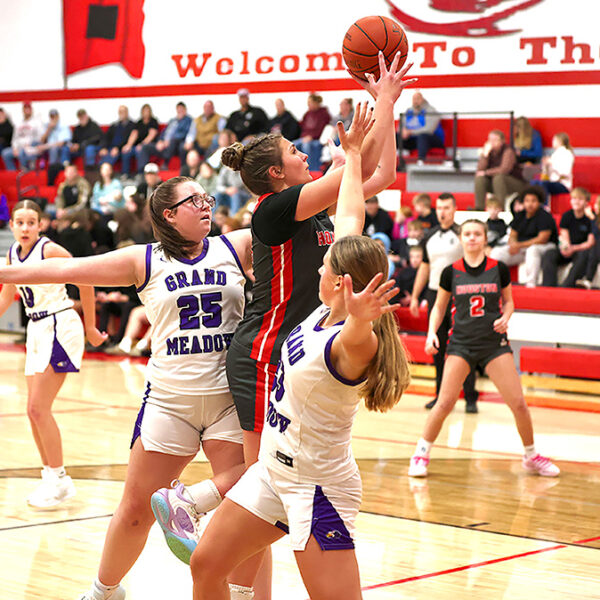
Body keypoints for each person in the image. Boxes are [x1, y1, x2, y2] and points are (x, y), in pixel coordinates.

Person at [150, 54, 416, 598]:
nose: (305, 153)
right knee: (236, 511)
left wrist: (385, 109)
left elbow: (379, 177)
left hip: (315, 405)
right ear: (276, 174)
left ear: (344, 284)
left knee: (279, 464)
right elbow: (358, 189)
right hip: (266, 348)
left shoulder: (341, 307)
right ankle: (203, 512)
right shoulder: (274, 210)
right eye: (296, 151)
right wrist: (377, 115)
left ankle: (200, 505)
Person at [0, 177, 253, 600]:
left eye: (207, 197)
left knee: (245, 507)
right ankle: (104, 591)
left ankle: (244, 596)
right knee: (136, 509)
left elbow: (306, 212)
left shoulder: (236, 244)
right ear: (169, 214)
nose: (207, 205)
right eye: (195, 200)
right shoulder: (144, 259)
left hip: (230, 399)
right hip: (171, 402)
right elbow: (66, 268)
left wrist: (352, 163)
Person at [408, 219, 560, 479]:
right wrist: (432, 332)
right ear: (461, 238)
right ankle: (421, 453)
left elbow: (509, 302)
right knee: (444, 403)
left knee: (519, 404)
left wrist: (506, 317)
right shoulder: (450, 271)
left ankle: (531, 455)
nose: (472, 238)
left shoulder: (498, 269)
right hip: (461, 344)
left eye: (477, 234)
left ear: (484, 238)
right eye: (467, 234)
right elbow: (439, 308)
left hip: (493, 345)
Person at [0, 200, 105, 507]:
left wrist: (91, 327)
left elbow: (84, 277)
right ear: (11, 226)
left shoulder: (50, 251)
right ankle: (53, 479)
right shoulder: (11, 255)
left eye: (31, 222)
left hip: (60, 323)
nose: (25, 228)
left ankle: (59, 478)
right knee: (32, 412)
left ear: (41, 225)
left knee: (37, 408)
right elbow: (8, 292)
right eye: (19, 223)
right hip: (36, 329)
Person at [410, 193, 479, 412]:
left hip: (460, 296)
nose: (442, 212)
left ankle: (470, 397)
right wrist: (414, 296)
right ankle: (440, 396)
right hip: (434, 295)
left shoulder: (463, 234)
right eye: (439, 208)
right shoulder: (429, 236)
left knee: (464, 346)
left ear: (455, 209)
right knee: (437, 347)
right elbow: (424, 267)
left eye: (447, 208)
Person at [490, 186, 558, 287]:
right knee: (496, 253)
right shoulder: (520, 215)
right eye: (527, 201)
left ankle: (531, 284)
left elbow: (542, 239)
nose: (530, 204)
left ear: (539, 202)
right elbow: (512, 234)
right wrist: (513, 244)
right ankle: (493, 283)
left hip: (545, 247)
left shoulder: (544, 216)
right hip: (522, 247)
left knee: (532, 250)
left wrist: (519, 245)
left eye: (533, 201)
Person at [541, 187, 594, 287]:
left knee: (583, 255)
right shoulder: (567, 216)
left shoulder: (590, 218)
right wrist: (565, 247)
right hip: (569, 248)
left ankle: (567, 285)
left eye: (580, 199)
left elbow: (590, 242)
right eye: (574, 198)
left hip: (581, 249)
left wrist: (574, 248)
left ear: (587, 202)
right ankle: (548, 286)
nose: (576, 202)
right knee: (549, 254)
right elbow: (564, 236)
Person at [474, 130, 526, 210]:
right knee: (480, 179)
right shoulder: (488, 152)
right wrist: (485, 155)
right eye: (490, 140)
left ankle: (499, 208)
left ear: (502, 141)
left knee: (499, 178)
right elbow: (479, 170)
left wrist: (486, 173)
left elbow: (504, 170)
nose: (492, 142)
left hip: (515, 182)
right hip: (495, 183)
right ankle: (479, 208)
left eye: (495, 140)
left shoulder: (508, 151)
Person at [139, 102, 192, 169]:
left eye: (181, 110)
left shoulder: (188, 120)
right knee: (145, 147)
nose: (180, 111)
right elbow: (164, 132)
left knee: (173, 141)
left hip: (175, 145)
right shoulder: (172, 121)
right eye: (178, 110)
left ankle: (166, 163)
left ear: (185, 110)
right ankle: (142, 171)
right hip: (164, 145)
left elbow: (184, 134)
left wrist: (168, 141)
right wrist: (160, 141)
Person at [399, 91, 445, 164]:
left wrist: (410, 132)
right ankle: (391, 163)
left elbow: (429, 130)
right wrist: (402, 132)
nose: (415, 101)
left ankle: (420, 162)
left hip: (432, 139)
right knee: (396, 136)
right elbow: (401, 126)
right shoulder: (408, 111)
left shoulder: (431, 111)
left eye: (418, 98)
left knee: (422, 136)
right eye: (414, 99)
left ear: (423, 99)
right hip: (414, 139)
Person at [532, 132, 575, 204]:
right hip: (552, 181)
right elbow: (548, 174)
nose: (552, 142)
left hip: (563, 184)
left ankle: (544, 206)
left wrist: (551, 164)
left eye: (554, 140)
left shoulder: (567, 154)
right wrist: (545, 166)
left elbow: (565, 173)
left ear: (559, 141)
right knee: (534, 182)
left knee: (543, 184)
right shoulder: (554, 155)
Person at [1, 101, 44, 171]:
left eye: (28, 108)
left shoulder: (37, 122)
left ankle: (25, 170)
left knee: (23, 152)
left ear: (31, 110)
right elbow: (14, 138)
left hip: (30, 147)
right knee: (5, 153)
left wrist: (31, 144)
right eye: (25, 109)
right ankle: (13, 173)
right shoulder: (19, 123)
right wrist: (14, 148)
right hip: (19, 148)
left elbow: (40, 138)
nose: (27, 110)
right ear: (23, 110)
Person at [294, 93, 331, 171]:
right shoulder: (308, 114)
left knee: (306, 146)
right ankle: (296, 169)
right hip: (305, 137)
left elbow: (322, 130)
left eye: (310, 103)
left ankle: (310, 169)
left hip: (316, 139)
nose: (308, 105)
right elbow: (303, 126)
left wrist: (311, 137)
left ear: (316, 103)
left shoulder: (324, 114)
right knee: (293, 145)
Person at [121, 104, 159, 175]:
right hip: (137, 146)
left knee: (141, 151)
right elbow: (134, 134)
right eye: (144, 111)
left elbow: (151, 136)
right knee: (126, 152)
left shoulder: (153, 121)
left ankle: (140, 173)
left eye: (147, 111)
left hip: (148, 145)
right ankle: (125, 174)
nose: (146, 112)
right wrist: (128, 145)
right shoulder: (139, 122)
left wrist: (142, 145)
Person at [97, 105, 136, 171]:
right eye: (120, 112)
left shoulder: (132, 125)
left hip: (123, 148)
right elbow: (106, 137)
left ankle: (124, 175)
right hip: (111, 148)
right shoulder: (114, 125)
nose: (121, 114)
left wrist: (117, 148)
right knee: (104, 153)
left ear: (127, 112)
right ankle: (101, 171)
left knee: (123, 153)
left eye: (123, 111)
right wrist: (103, 147)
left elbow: (127, 139)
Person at [577, 192, 600, 289]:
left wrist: (592, 218)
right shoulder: (597, 219)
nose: (594, 207)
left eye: (597, 205)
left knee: (596, 246)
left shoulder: (594, 218)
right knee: (590, 250)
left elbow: (597, 234)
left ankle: (589, 279)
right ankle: (585, 279)